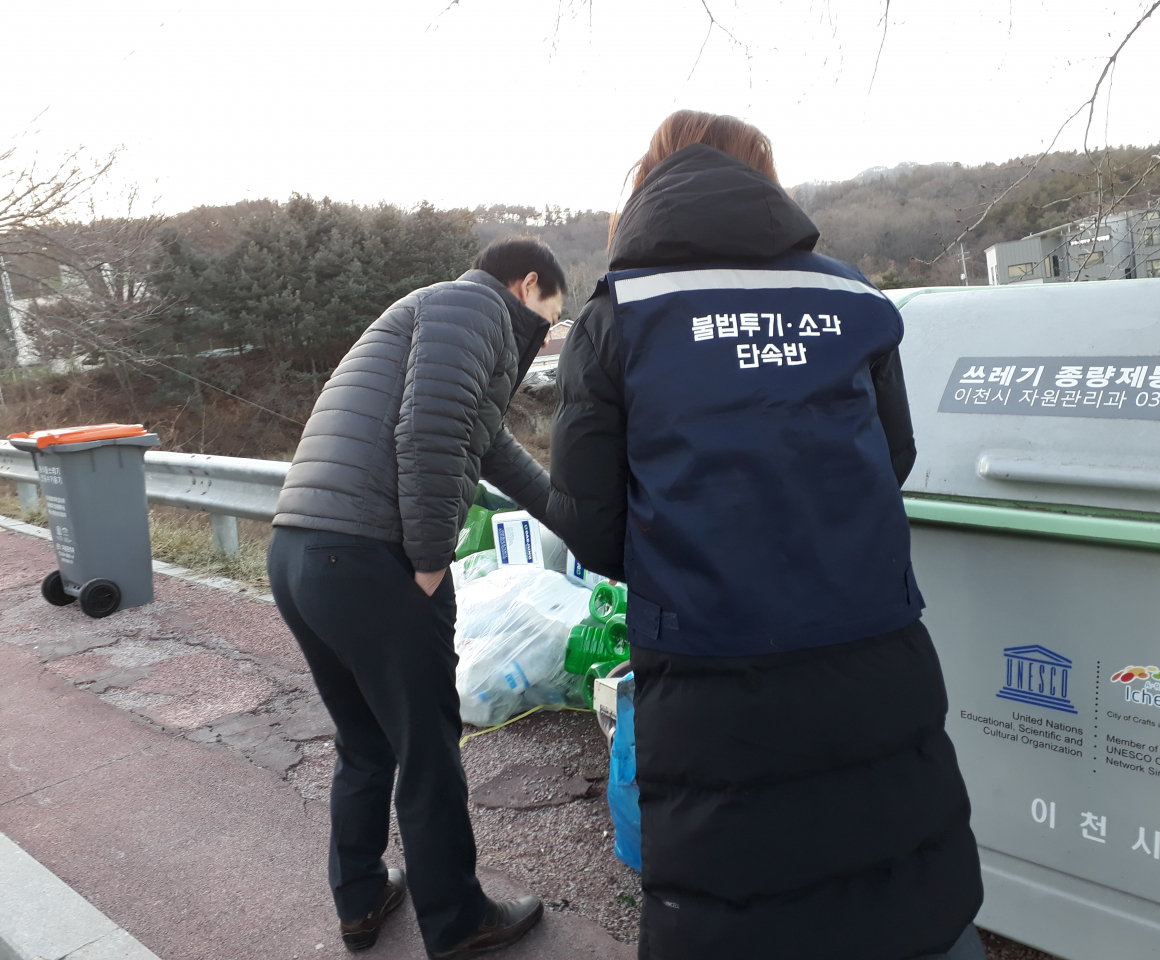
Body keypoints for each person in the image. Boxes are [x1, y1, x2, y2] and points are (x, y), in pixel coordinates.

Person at [547, 111, 985, 959]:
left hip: (713, 676)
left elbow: (593, 529)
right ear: (763, 180)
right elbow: (889, 461)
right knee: (904, 885)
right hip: (873, 651)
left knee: (739, 908)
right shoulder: (850, 296)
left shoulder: (621, 313)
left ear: (650, 181)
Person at [268, 238, 564, 957]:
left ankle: (361, 898)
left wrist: (582, 524)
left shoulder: (435, 315)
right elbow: (429, 433)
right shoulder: (474, 307)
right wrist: (431, 559)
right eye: (552, 315)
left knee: (365, 741)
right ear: (527, 285)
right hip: (371, 558)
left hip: (299, 550)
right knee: (428, 746)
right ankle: (459, 921)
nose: (548, 332)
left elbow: (489, 444)